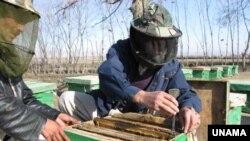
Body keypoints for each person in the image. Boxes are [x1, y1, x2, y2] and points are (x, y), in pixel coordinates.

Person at [59, 2, 201, 133]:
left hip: (144, 119)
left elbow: (186, 92)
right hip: (111, 110)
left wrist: (188, 108)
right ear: (139, 38)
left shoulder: (171, 65)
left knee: (185, 123)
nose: (158, 48)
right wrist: (140, 96)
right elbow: (108, 74)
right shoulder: (121, 50)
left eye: (163, 43)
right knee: (66, 98)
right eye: (152, 42)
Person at [0, 0, 79, 141]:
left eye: (24, 21)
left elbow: (25, 100)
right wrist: (39, 124)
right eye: (17, 18)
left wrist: (54, 115)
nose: (21, 28)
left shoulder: (6, 56)